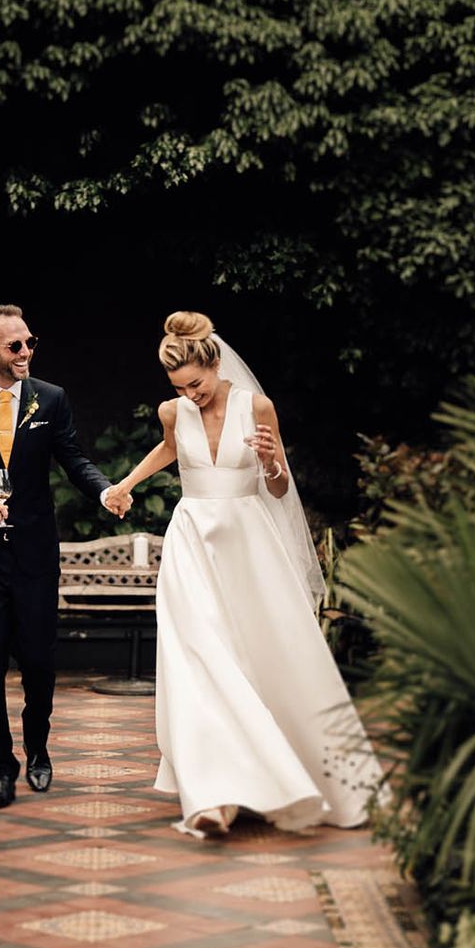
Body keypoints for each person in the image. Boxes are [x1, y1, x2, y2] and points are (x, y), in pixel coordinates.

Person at [104, 312, 384, 836]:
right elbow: (170, 448)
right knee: (198, 659)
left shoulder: (256, 406)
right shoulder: (173, 411)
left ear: (214, 364)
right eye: (179, 388)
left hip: (248, 547)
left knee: (263, 657)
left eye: (196, 384)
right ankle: (214, 796)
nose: (190, 396)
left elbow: (278, 487)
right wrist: (124, 484)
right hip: (192, 544)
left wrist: (273, 462)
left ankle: (278, 775)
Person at [0, 304, 130, 810]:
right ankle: (0, 768)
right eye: (14, 345)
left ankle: (38, 747)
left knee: (38, 662)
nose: (26, 352)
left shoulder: (49, 398)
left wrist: (105, 491)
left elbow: (74, 457)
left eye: (30, 342)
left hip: (34, 554)